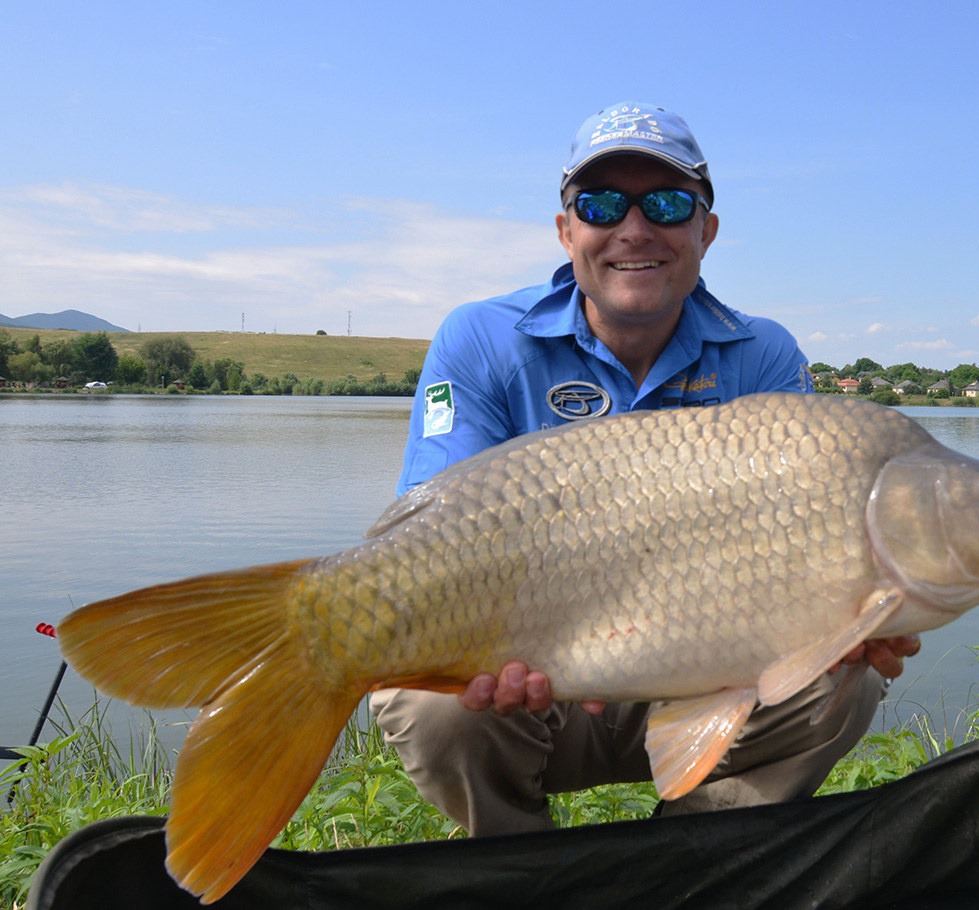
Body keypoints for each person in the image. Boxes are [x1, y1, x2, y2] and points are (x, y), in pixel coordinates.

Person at [371, 102, 919, 836]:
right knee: (427, 699)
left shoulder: (765, 357)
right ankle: (524, 875)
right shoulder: (480, 339)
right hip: (533, 688)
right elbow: (430, 545)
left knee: (842, 678)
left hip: (708, 677)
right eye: (600, 205)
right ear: (567, 231)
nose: (634, 229)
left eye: (666, 204)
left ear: (705, 231)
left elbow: (811, 554)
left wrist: (851, 616)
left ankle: (684, 866)